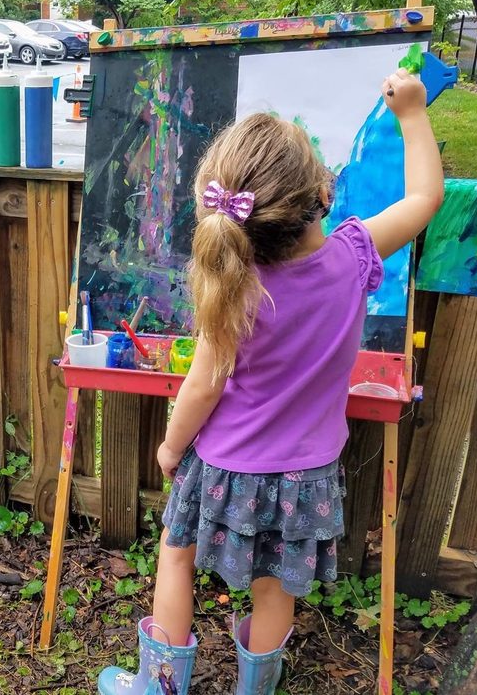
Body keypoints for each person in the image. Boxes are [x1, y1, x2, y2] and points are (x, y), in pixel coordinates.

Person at [97, 67, 444, 695]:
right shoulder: (352, 256)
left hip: (225, 465)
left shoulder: (236, 289)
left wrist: (172, 448)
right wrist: (413, 114)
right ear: (321, 193)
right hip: (305, 475)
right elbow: (423, 201)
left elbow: (201, 389)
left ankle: (159, 686)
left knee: (176, 556)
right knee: (274, 585)